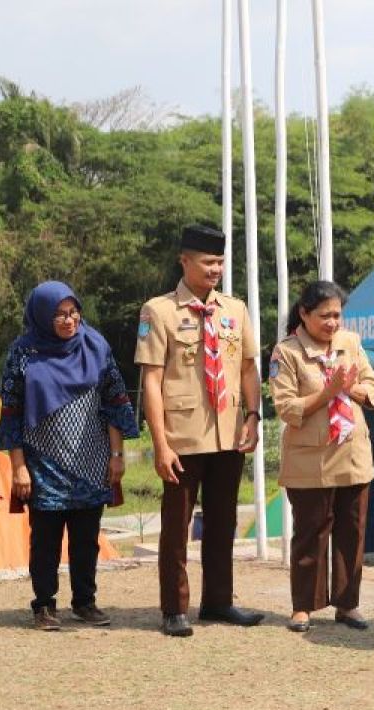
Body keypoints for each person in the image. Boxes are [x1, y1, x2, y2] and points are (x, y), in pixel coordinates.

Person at [135, 224, 263, 637]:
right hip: (182, 436)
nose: (216, 270)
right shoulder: (159, 311)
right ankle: (175, 607)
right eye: (208, 262)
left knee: (223, 522)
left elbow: (247, 367)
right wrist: (160, 444)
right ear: (184, 261)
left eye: (221, 263)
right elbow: (151, 381)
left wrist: (254, 416)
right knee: (176, 527)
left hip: (228, 434)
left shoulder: (235, 310)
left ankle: (219, 601)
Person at [0, 282, 139, 630]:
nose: (68, 320)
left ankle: (85, 602)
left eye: (73, 312)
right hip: (42, 462)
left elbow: (114, 403)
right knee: (44, 538)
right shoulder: (23, 353)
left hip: (91, 459)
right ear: (42, 315)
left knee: (86, 538)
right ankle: (44, 605)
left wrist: (117, 455)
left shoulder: (96, 346)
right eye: (59, 314)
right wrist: (18, 467)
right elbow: (10, 412)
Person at [269, 281, 374, 633]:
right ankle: (303, 606)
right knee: (310, 533)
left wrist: (351, 389)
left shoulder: (350, 343)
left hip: (352, 454)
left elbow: (373, 386)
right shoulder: (286, 352)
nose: (333, 323)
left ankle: (348, 604)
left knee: (352, 532)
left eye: (337, 315)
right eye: (324, 316)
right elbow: (286, 408)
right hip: (309, 460)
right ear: (304, 313)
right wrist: (327, 393)